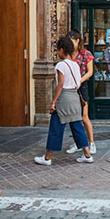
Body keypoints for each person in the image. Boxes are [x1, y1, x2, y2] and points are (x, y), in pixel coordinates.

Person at [34, 36, 93, 165]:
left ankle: (47, 157)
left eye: (57, 50)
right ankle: (87, 155)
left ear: (62, 49)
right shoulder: (75, 65)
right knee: (77, 126)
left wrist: (54, 101)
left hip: (64, 98)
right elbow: (78, 83)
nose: (57, 52)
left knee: (56, 127)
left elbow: (60, 84)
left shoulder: (61, 65)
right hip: (74, 98)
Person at [66, 30, 96, 155]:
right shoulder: (68, 54)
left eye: (72, 41)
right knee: (74, 118)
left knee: (84, 117)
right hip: (70, 87)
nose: (70, 44)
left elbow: (90, 72)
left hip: (81, 86)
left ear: (78, 40)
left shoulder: (86, 54)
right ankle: (78, 143)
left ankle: (92, 143)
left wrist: (79, 81)